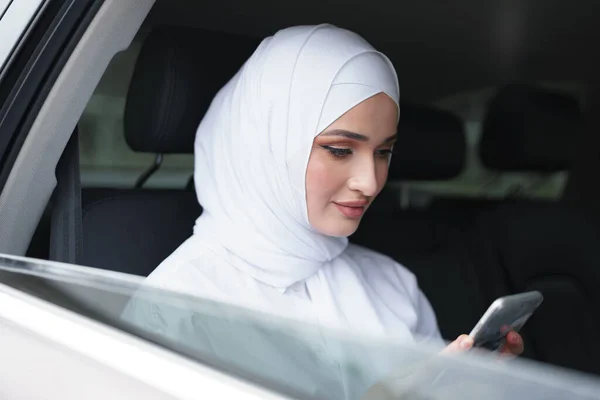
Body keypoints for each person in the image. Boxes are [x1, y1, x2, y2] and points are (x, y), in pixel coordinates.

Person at [122, 23, 523, 398]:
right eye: (339, 149)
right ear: (268, 142)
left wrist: (473, 386)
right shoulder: (175, 308)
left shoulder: (392, 283)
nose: (370, 181)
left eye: (384, 152)